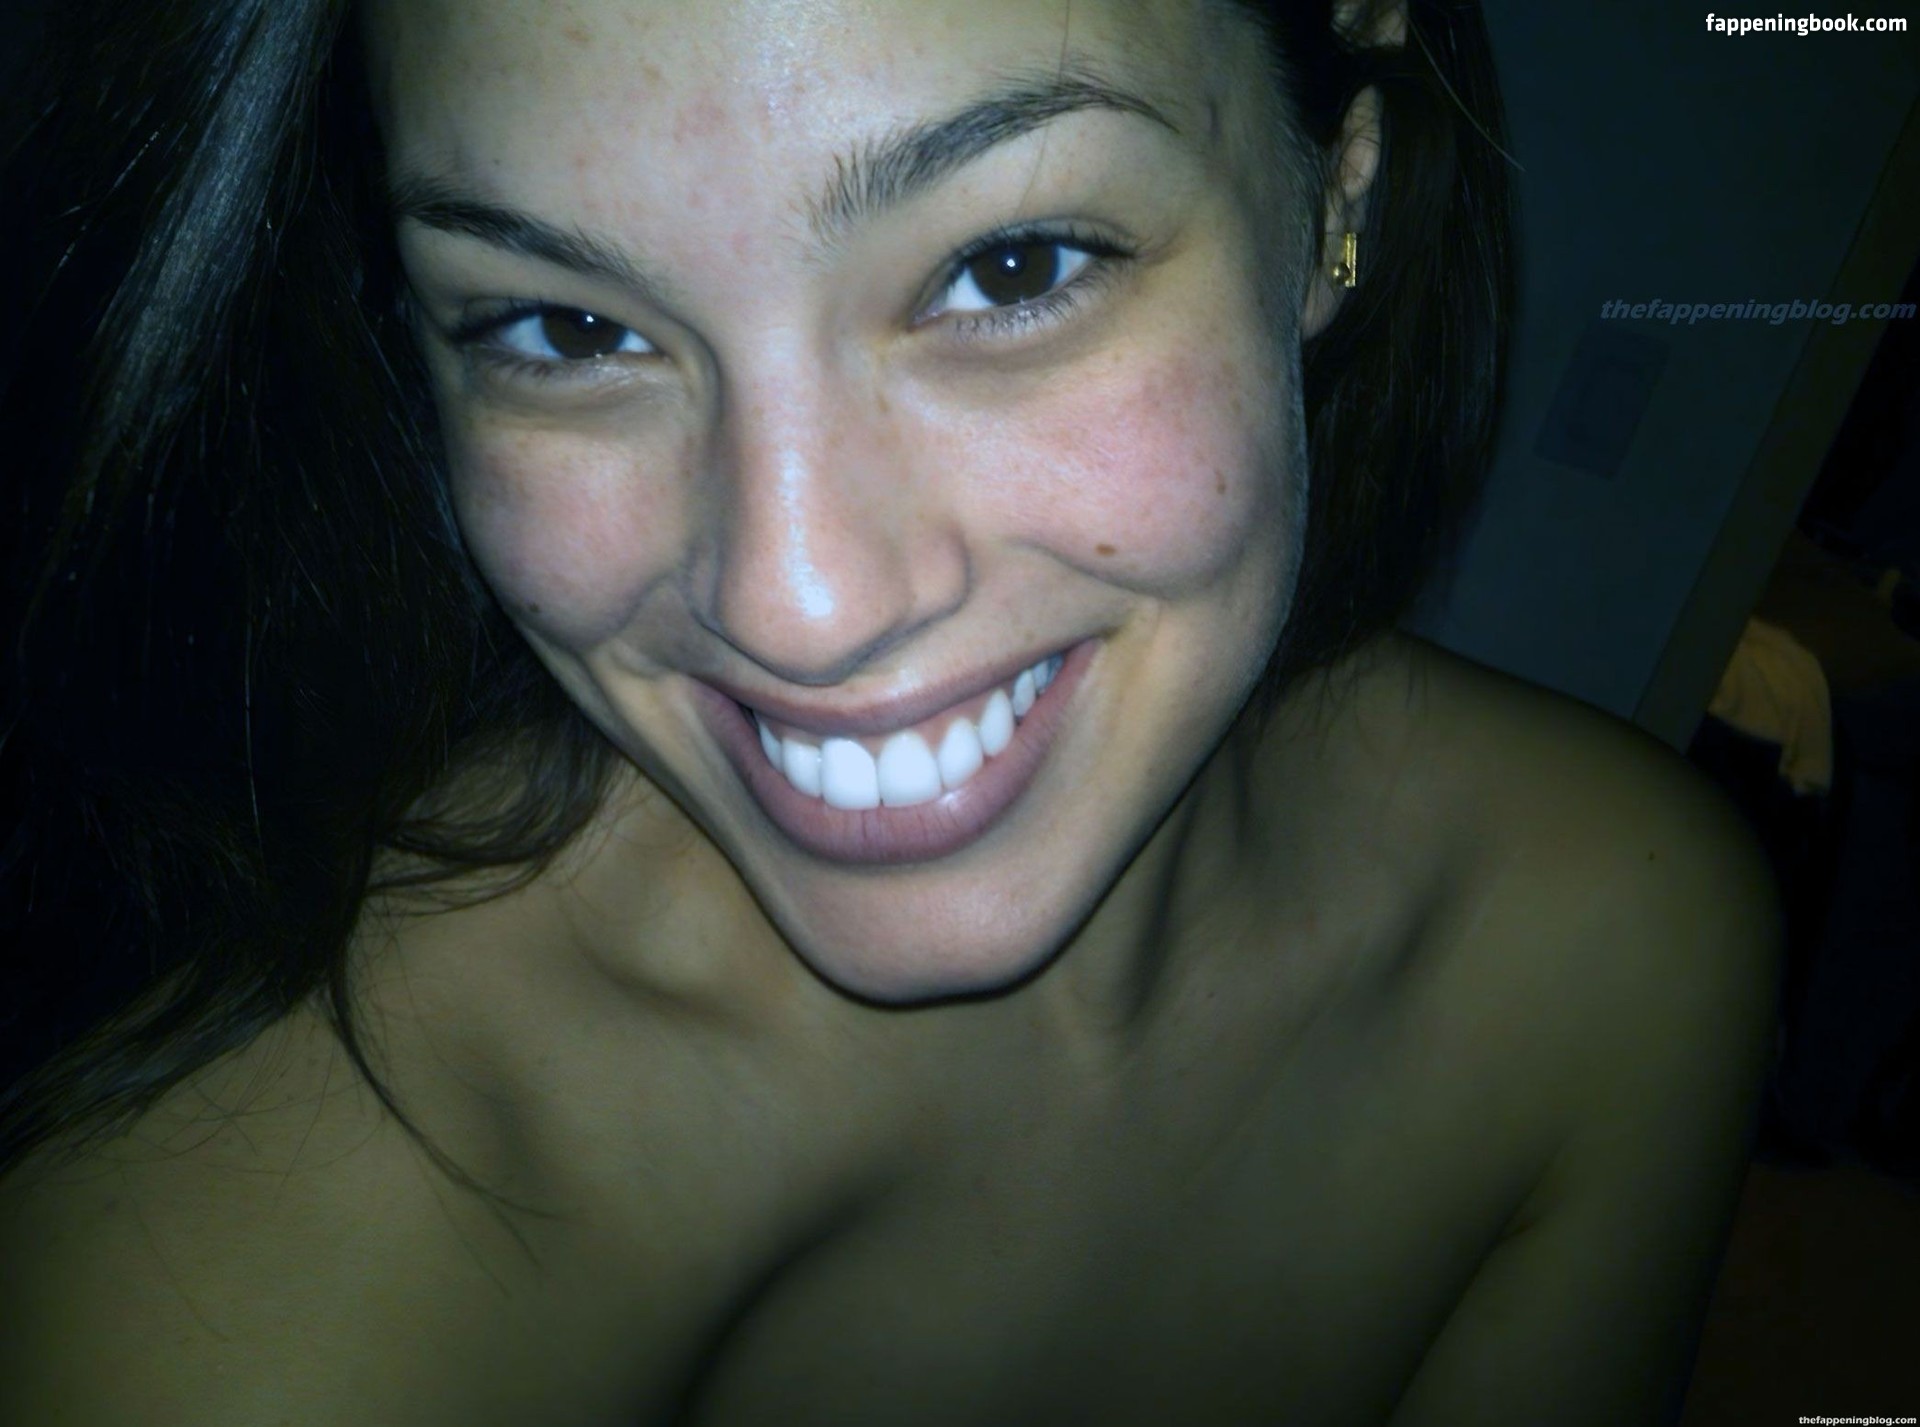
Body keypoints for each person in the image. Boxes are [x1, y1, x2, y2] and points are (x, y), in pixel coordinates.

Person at [0, 0, 1783, 1421]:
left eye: (1011, 267)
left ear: (1341, 195)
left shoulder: (1614, 945)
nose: (799, 602)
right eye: (564, 328)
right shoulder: (217, 1287)